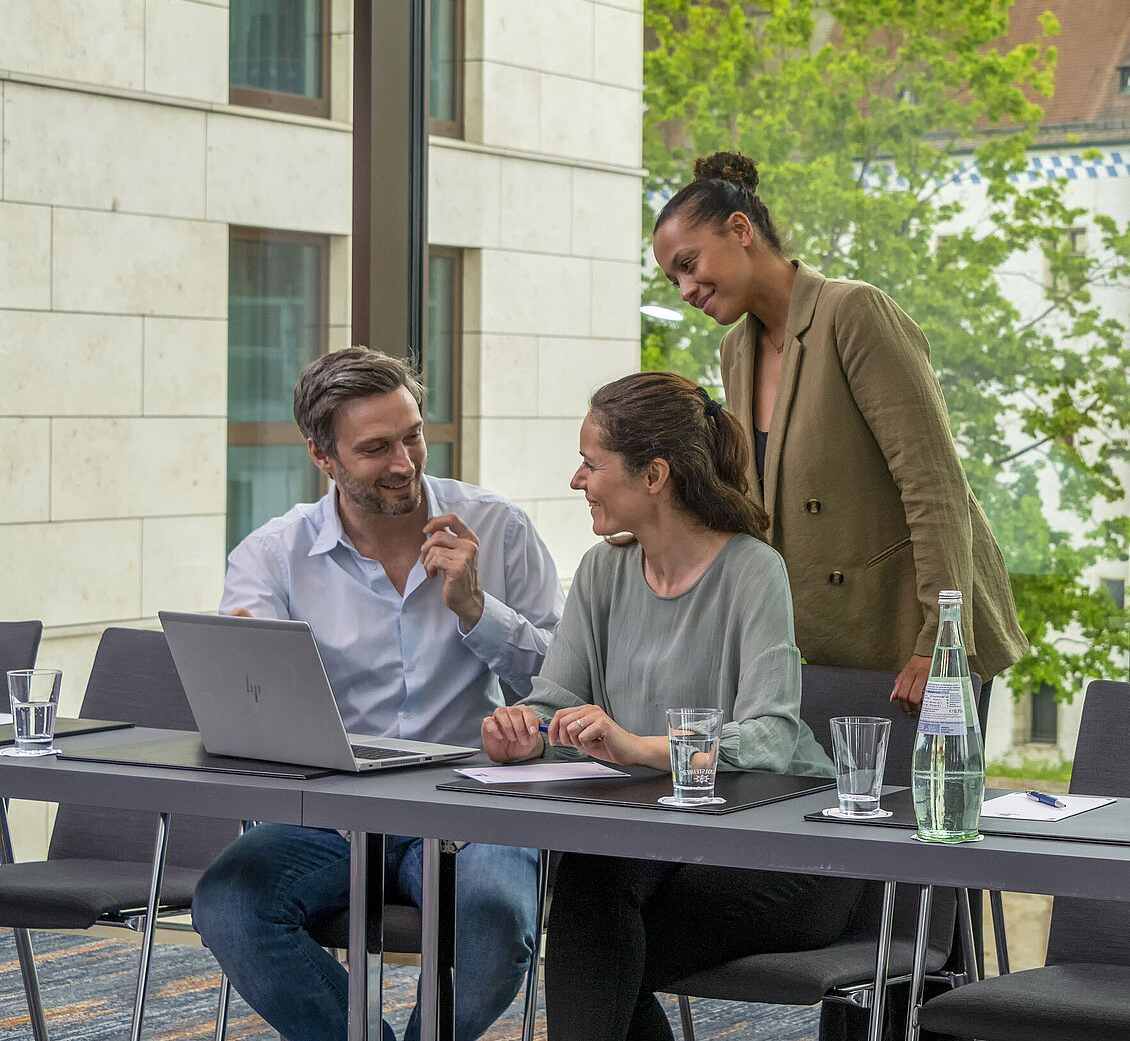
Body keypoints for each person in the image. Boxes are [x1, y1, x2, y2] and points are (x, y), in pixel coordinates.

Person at [194, 347, 562, 1041]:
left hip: (469, 802)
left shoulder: (501, 529)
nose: (404, 461)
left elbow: (563, 690)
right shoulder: (272, 556)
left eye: (412, 434)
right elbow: (248, 717)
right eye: (375, 447)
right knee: (230, 903)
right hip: (328, 814)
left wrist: (477, 609)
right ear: (322, 455)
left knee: (497, 915)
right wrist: (249, 677)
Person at [481, 371, 862, 1040]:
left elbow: (771, 738)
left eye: (590, 464)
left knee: (594, 937)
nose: (577, 480)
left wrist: (637, 747)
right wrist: (526, 731)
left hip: (787, 852)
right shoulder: (602, 572)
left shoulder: (753, 569)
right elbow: (555, 701)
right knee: (592, 896)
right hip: (659, 845)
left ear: (653, 473)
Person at [649, 151, 1026, 713]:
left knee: (926, 801)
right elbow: (756, 504)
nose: (684, 289)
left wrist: (938, 640)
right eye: (673, 277)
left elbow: (934, 486)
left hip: (910, 636)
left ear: (740, 229)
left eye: (688, 263)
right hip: (819, 644)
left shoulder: (853, 312)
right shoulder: (736, 350)